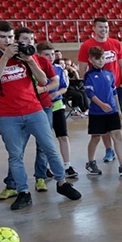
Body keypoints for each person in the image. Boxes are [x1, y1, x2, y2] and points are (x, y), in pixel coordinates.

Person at [0, 21, 81, 210]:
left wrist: (30, 60)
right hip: (7, 115)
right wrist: (5, 57)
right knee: (15, 155)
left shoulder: (25, 56)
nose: (7, 40)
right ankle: (23, 192)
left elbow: (43, 80)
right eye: (3, 37)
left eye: (10, 37)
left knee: (50, 148)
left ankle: (62, 183)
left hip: (34, 110)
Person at [78, 17, 122, 162]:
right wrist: (90, 86)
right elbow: (82, 68)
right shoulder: (87, 46)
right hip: (99, 90)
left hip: (117, 87)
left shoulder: (115, 43)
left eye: (106, 27)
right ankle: (109, 150)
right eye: (101, 27)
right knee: (104, 118)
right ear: (94, 29)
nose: (104, 30)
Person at [83, 46, 122, 177]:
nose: (100, 61)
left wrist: (118, 109)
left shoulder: (109, 74)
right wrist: (102, 105)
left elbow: (114, 92)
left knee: (117, 135)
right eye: (97, 59)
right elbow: (90, 93)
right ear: (91, 60)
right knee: (96, 137)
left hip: (112, 111)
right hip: (97, 112)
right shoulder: (89, 75)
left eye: (102, 58)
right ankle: (91, 162)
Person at [15, 27, 59, 194]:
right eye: (25, 39)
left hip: (44, 106)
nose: (29, 42)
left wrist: (43, 89)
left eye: (32, 39)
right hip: (20, 109)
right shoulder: (11, 60)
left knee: (43, 145)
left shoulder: (42, 61)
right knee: (18, 148)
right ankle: (12, 183)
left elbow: (54, 82)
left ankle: (40, 177)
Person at [38, 42, 77, 180]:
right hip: (41, 107)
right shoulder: (36, 69)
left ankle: (67, 165)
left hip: (57, 105)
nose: (50, 57)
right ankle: (46, 167)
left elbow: (64, 87)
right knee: (45, 140)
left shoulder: (59, 69)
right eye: (46, 54)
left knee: (63, 136)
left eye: (52, 54)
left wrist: (55, 93)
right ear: (39, 55)